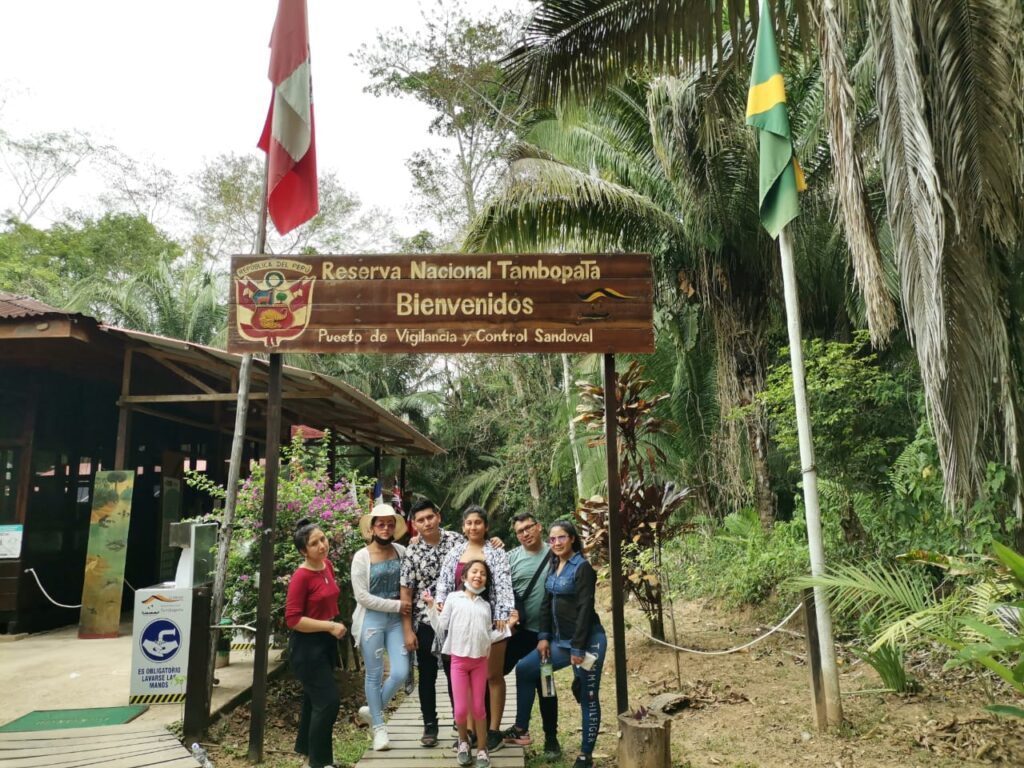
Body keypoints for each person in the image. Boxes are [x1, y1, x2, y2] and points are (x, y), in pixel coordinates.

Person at [507, 519, 606, 768]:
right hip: (558, 641)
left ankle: (585, 754)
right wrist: (543, 637)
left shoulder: (581, 567)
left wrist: (578, 649)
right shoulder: (554, 563)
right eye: (553, 539)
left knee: (588, 696)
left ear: (572, 538)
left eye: (562, 537)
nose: (557, 543)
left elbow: (585, 610)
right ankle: (521, 728)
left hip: (587, 641)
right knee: (527, 669)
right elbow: (545, 605)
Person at [435, 506, 515, 753]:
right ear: (463, 527)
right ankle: (469, 731)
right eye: (468, 523)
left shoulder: (496, 553)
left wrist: (502, 616)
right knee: (468, 681)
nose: (473, 527)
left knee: (492, 676)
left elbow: (503, 586)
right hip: (462, 621)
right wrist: (440, 603)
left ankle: (493, 731)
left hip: (490, 620)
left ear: (486, 526)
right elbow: (444, 582)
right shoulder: (455, 552)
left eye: (478, 523)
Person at [424, 559, 503, 768]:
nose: (478, 576)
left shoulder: (486, 605)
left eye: (483, 573)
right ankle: (463, 743)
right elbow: (441, 626)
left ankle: (483, 749)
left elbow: (488, 635)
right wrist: (432, 606)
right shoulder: (453, 598)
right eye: (474, 572)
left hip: (479, 662)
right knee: (460, 711)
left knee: (478, 708)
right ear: (464, 576)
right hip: (458, 662)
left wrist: (508, 626)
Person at [399, 499, 463, 747]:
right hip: (425, 621)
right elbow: (406, 592)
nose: (426, 523)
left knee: (453, 672)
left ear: (438, 516)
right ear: (414, 524)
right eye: (420, 520)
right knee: (426, 675)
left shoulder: (457, 541)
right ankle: (430, 725)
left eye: (430, 517)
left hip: (456, 619)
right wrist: (407, 630)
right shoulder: (412, 552)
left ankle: (460, 722)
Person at [285, 519, 347, 768]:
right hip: (307, 647)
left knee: (314, 701)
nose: (322, 545)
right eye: (314, 543)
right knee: (328, 702)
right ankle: (319, 764)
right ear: (303, 551)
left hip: (326, 644)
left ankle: (313, 755)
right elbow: (292, 619)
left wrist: (331, 628)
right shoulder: (301, 577)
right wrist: (329, 626)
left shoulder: (327, 565)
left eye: (323, 539)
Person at [351, 503, 411, 752]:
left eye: (390, 524)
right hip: (371, 621)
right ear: (372, 527)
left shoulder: (402, 551)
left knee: (400, 672)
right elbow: (361, 596)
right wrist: (397, 605)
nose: (385, 528)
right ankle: (379, 727)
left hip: (396, 622)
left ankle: (372, 710)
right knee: (374, 675)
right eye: (380, 523)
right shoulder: (361, 556)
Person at [500, 512, 560, 758]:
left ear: (539, 527)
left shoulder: (557, 554)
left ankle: (551, 739)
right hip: (519, 633)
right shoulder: (510, 558)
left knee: (546, 686)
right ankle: (489, 730)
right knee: (491, 674)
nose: (525, 534)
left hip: (547, 635)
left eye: (528, 528)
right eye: (519, 531)